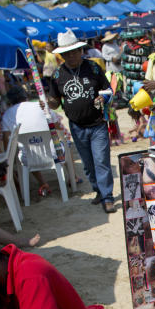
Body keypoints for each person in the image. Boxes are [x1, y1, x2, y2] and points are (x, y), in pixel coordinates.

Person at [48, 31, 116, 213]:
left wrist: (103, 99)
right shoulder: (57, 75)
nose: (71, 56)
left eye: (74, 52)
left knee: (101, 160)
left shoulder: (93, 68)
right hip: (77, 126)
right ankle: (98, 191)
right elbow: (54, 102)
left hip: (97, 124)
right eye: (66, 53)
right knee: (88, 163)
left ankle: (107, 196)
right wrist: (48, 102)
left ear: (80, 51)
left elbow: (108, 90)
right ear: (61, 55)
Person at [0, 86, 65, 200]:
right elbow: (59, 128)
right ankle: (73, 177)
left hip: (28, 159)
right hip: (55, 153)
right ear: (27, 96)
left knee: (26, 151)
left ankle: (42, 182)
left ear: (10, 101)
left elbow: (7, 143)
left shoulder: (8, 114)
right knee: (63, 144)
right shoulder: (41, 106)